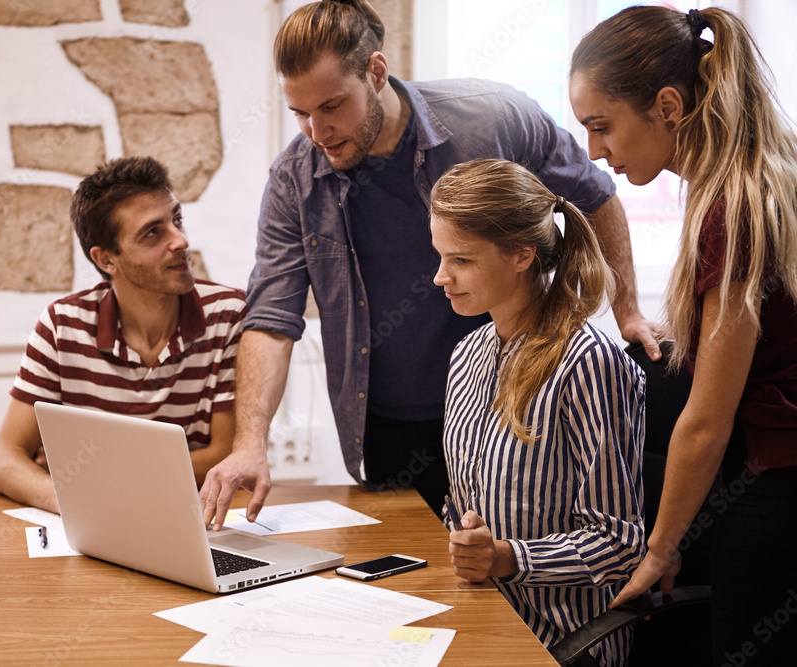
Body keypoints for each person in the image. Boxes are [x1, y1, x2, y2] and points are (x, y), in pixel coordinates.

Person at [200, 0, 658, 526]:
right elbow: (271, 320)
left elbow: (595, 197)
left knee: (508, 572)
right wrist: (250, 442)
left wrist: (627, 312)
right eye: (300, 113)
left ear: (375, 72)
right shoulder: (294, 180)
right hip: (384, 425)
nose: (316, 132)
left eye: (331, 106)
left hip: (511, 412)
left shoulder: (491, 119)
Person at [569, 7, 797, 665]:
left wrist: (659, 547)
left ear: (668, 105)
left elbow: (706, 421)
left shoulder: (731, 207)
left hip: (773, 490)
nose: (594, 152)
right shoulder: (763, 175)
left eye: (602, 126)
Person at [433, 158, 645, 667]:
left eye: (460, 259)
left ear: (522, 254)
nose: (441, 276)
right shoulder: (468, 354)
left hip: (561, 639)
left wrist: (506, 558)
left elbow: (619, 542)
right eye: (440, 255)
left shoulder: (589, 363)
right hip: (481, 608)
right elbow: (463, 502)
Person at [0, 157, 246, 513]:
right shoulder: (62, 325)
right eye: (153, 232)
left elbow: (228, 456)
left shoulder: (228, 315)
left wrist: (92, 479)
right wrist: (77, 504)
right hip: (87, 524)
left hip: (183, 516)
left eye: (177, 220)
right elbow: (3, 460)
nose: (181, 241)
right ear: (107, 260)